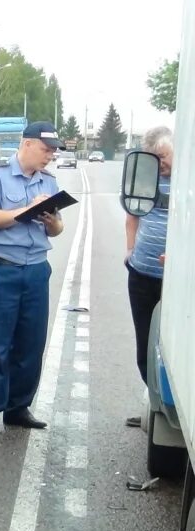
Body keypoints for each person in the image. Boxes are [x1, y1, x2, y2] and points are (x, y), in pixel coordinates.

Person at [0, 121, 66, 436]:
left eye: (54, 151)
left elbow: (57, 229)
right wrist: (27, 209)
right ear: (26, 144)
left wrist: (51, 219)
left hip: (37, 268)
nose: (50, 156)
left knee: (31, 343)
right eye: (46, 149)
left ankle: (18, 407)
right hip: (3, 267)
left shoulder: (48, 182)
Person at [124, 126, 173, 427]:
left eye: (164, 156)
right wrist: (129, 250)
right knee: (146, 345)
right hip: (142, 274)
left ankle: (171, 407)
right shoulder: (145, 177)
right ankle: (153, 405)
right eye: (154, 158)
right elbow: (132, 215)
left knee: (175, 347)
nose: (160, 163)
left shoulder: (188, 182)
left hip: (178, 281)